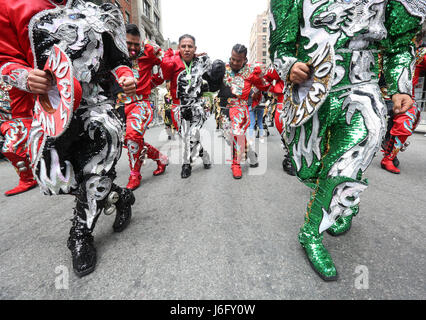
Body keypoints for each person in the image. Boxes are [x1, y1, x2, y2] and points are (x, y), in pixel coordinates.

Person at [270, 0, 423, 280]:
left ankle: (310, 234)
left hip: (362, 85)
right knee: (314, 168)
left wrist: (400, 83)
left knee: (355, 148)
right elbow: (280, 42)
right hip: (311, 89)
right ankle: (347, 200)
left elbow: (401, 40)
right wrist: (289, 65)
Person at [0, 0, 137, 277]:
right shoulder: (9, 6)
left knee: (97, 168)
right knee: (53, 177)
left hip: (96, 104)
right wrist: (25, 77)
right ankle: (118, 196)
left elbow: (118, 59)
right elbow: (5, 60)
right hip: (51, 109)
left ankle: (81, 234)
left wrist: (125, 75)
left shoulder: (103, 9)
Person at [116, 24, 168, 191]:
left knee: (132, 137)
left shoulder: (150, 49)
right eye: (128, 43)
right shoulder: (114, 50)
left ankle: (134, 174)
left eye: (135, 44)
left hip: (140, 103)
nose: (132, 48)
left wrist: (153, 82)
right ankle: (160, 157)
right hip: (117, 105)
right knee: (129, 141)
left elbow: (167, 63)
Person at [205, 44, 268, 179]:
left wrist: (256, 94)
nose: (234, 62)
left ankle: (236, 164)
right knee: (231, 138)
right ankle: (251, 155)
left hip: (240, 109)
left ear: (244, 59)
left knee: (237, 134)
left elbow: (263, 85)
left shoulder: (251, 71)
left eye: (238, 60)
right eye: (232, 59)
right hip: (224, 110)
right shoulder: (223, 69)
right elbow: (212, 87)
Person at [161, 34, 212, 179]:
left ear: (195, 48)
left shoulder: (201, 62)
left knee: (190, 136)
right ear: (178, 48)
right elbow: (164, 73)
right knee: (188, 137)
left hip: (196, 106)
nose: (187, 49)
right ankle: (205, 155)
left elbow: (212, 77)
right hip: (179, 107)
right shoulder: (172, 62)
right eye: (183, 46)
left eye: (190, 46)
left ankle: (186, 164)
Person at [381, 29, 426, 174]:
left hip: (402, 99)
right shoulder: (379, 43)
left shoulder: (419, 54)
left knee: (407, 118)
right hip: (372, 91)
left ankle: (389, 157)